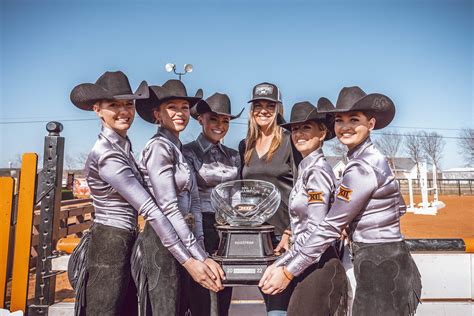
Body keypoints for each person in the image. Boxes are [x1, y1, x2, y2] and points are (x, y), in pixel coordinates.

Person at [68, 71, 219, 316]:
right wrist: (192, 260)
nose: (124, 111)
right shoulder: (108, 154)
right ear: (97, 109)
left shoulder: (123, 146)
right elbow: (152, 209)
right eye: (114, 105)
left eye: (128, 104)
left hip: (123, 239)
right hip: (109, 241)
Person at [262, 86, 422, 316]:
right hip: (383, 260)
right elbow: (400, 207)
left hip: (381, 267)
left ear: (371, 124)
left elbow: (328, 226)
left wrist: (287, 270)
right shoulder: (368, 160)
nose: (345, 127)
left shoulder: (361, 167)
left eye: (353, 119)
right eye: (340, 120)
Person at [133, 80, 224, 316]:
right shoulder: (159, 147)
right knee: (167, 308)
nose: (180, 113)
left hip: (184, 235)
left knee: (184, 306)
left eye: (184, 107)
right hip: (163, 240)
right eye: (172, 107)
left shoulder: (178, 148)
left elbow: (193, 202)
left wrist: (201, 248)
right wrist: (196, 257)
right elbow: (168, 206)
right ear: (157, 115)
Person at [259, 101, 348, 316]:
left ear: (322, 133)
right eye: (295, 129)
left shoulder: (316, 172)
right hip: (308, 263)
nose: (298, 133)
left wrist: (285, 268)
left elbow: (316, 229)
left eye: (306, 127)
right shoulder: (307, 169)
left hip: (318, 266)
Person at [239, 82, 301, 315]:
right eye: (258, 105)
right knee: (269, 296)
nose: (263, 110)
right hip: (256, 236)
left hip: (283, 235)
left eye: (269, 105)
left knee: (280, 305)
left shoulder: (290, 140)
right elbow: (241, 191)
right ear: (251, 110)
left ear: (278, 109)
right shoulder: (245, 145)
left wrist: (290, 230)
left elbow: (301, 188)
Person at [183, 92, 243, 316]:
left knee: (224, 291)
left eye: (225, 120)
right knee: (202, 296)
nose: (220, 125)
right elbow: (190, 197)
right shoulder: (188, 151)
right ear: (201, 120)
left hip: (227, 230)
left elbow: (237, 194)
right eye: (214, 119)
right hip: (201, 227)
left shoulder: (234, 155)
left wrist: (239, 229)